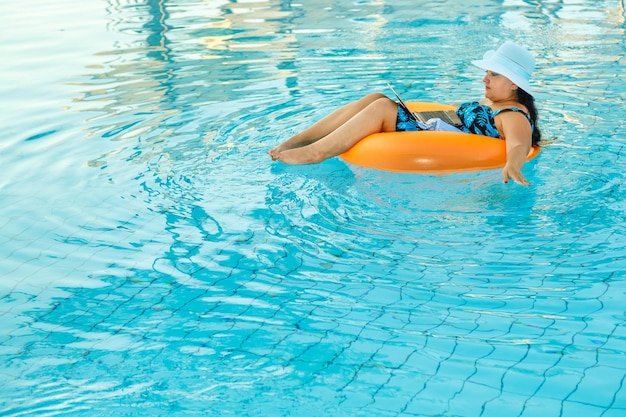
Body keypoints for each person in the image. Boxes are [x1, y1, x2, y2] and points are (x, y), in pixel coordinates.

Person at [268, 41, 541, 186]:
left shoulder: (513, 113)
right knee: (375, 97)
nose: (485, 78)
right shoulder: (495, 100)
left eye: (494, 74)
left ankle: (316, 152)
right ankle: (302, 139)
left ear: (514, 83)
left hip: (437, 138)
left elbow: (519, 141)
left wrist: (513, 165)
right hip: (440, 127)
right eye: (486, 72)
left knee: (381, 108)